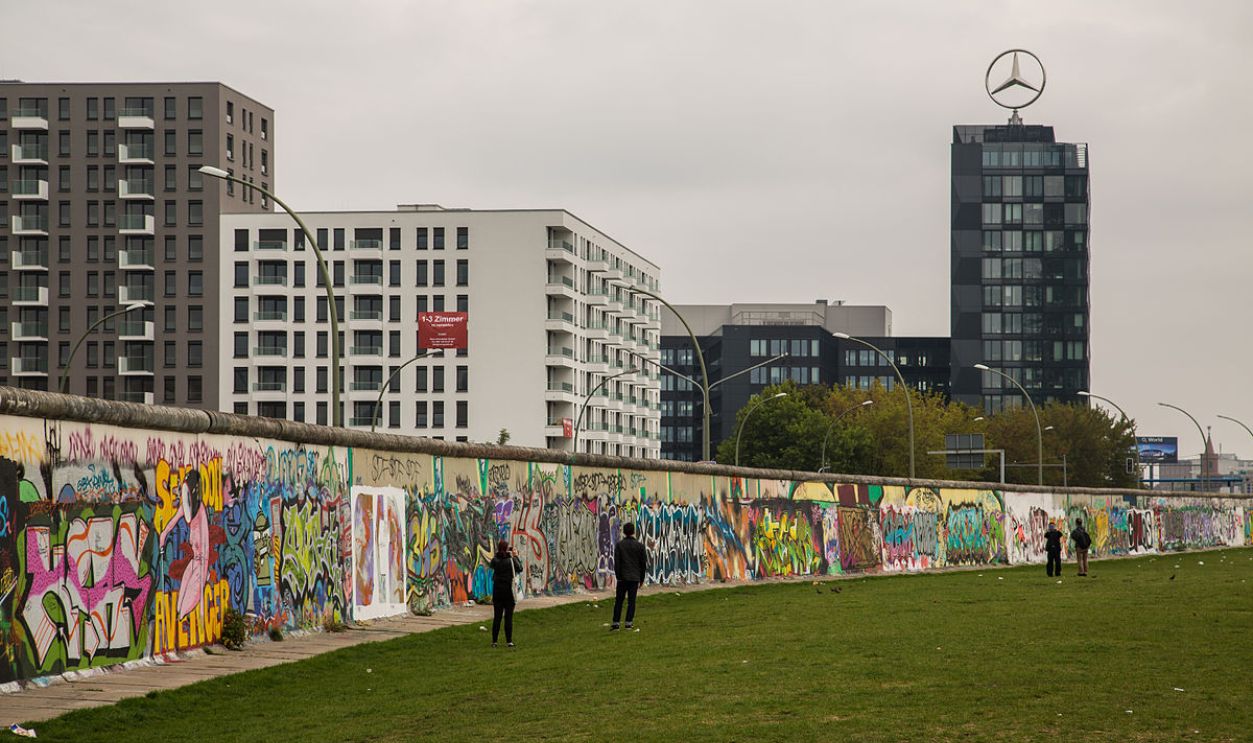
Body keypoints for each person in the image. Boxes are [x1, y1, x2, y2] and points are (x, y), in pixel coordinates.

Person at [611, 523, 649, 631]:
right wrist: (641, 579)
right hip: (634, 577)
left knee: (619, 601)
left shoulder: (619, 545)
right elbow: (643, 564)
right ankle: (628, 622)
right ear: (633, 532)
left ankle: (616, 623)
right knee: (631, 601)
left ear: (624, 532)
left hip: (622, 577)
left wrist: (618, 576)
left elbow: (617, 563)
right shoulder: (640, 546)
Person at [489, 540, 522, 648]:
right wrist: (515, 556)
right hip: (509, 592)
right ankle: (509, 641)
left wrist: (500, 553)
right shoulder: (511, 561)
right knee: (508, 617)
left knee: (497, 617)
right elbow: (519, 568)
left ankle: (494, 641)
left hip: (497, 591)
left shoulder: (495, 560)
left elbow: (492, 564)